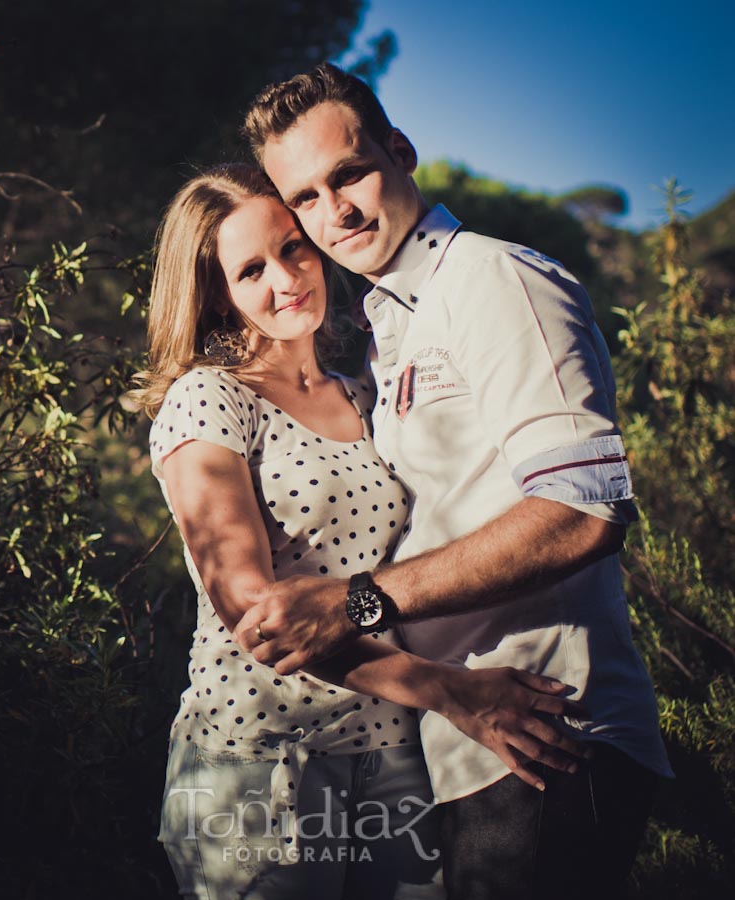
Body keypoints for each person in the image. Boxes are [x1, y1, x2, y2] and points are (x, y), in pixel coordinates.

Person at [234, 64, 674, 898]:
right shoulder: (389, 324)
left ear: (399, 151)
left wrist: (355, 602)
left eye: (350, 173)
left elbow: (584, 510)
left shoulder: (493, 279)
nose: (336, 214)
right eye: (306, 198)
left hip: (551, 729)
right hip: (467, 746)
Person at [133, 164, 590, 900]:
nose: (286, 279)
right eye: (251, 269)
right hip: (261, 760)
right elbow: (255, 614)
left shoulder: (360, 392)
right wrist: (452, 691)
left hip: (393, 749)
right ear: (217, 293)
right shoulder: (206, 401)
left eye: (292, 248)